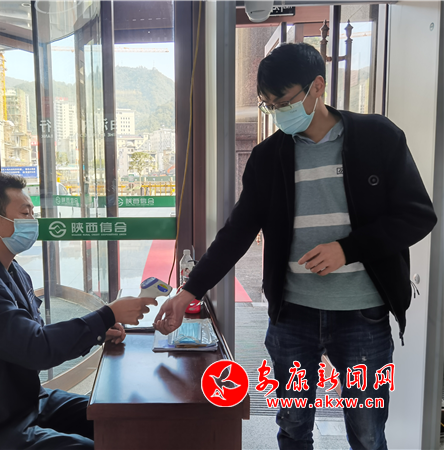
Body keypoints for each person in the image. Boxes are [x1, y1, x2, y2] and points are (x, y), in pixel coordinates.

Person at [154, 43, 437, 450]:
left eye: (284, 102)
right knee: (292, 428)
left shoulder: (377, 137)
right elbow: (237, 232)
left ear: (317, 86)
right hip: (292, 317)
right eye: (268, 105)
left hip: (362, 316)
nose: (277, 113)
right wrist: (189, 291)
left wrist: (348, 249)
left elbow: (417, 216)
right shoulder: (268, 157)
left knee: (367, 432)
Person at [0, 172, 156, 450]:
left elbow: (33, 334)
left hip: (25, 402)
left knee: (118, 419)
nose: (32, 221)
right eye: (25, 213)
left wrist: (98, 331)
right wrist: (106, 315)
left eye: (32, 213)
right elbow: (36, 348)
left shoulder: (12, 270)